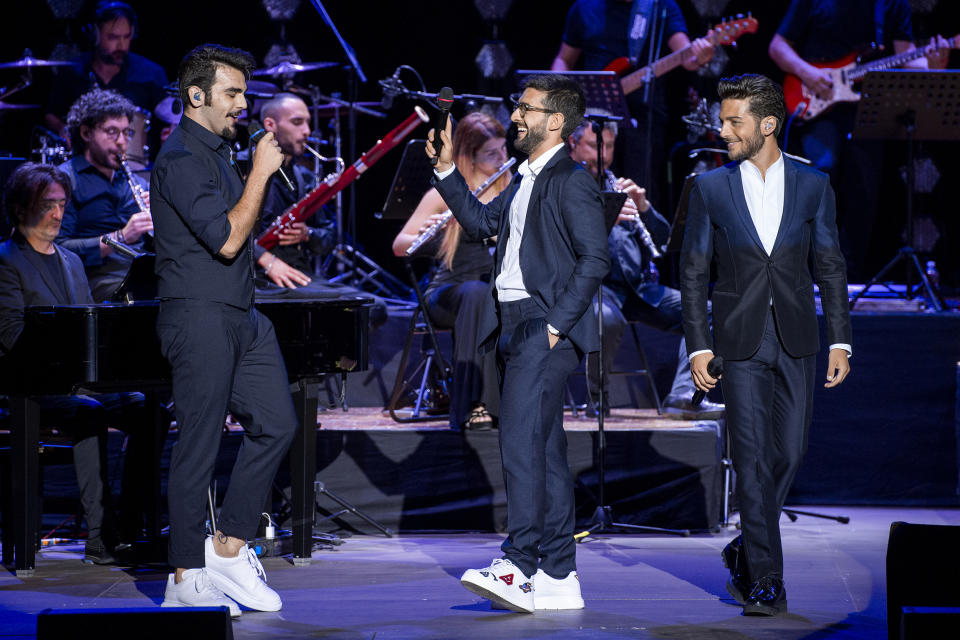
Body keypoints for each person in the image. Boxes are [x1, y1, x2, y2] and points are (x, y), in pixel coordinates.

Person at [427, 74, 609, 613]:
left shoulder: (571, 180)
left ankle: (518, 564)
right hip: (511, 322)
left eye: (526, 109)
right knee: (544, 449)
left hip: (543, 326)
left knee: (520, 447)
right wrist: (444, 172)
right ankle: (558, 573)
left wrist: (555, 326)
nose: (515, 117)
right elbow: (483, 224)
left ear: (556, 121)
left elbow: (595, 259)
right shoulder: (524, 177)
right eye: (517, 108)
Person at [680, 74, 852, 616]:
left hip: (799, 338)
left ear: (768, 124)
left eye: (734, 121)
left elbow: (829, 265)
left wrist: (841, 339)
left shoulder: (813, 186)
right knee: (751, 458)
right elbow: (691, 274)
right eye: (722, 119)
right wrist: (699, 346)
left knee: (790, 453)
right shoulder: (710, 188)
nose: (722, 129)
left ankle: (746, 546)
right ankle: (767, 580)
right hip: (739, 341)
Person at [152, 44, 298, 616]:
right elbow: (227, 238)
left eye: (243, 91)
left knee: (277, 424)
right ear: (196, 96)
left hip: (242, 314)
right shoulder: (181, 157)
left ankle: (230, 547)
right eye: (232, 93)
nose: (243, 103)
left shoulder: (220, 150)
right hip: (198, 315)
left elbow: (241, 238)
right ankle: (185, 575)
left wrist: (255, 173)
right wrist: (261, 173)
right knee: (199, 445)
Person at [0, 162, 152, 564]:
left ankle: (132, 525)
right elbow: (11, 336)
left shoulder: (70, 260)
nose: (57, 214)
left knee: (145, 407)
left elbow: (89, 326)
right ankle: (100, 537)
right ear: (19, 210)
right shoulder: (6, 261)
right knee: (88, 411)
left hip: (78, 380)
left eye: (62, 204)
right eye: (46, 205)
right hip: (31, 384)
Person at [768, 0, 941, 280]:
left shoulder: (892, 4)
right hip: (818, 101)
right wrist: (807, 73)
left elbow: (906, 57)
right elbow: (777, 47)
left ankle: (849, 280)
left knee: (864, 190)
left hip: (869, 104)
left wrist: (933, 62)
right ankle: (810, 276)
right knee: (822, 176)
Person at [567, 117, 723, 417]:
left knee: (707, 310)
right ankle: (596, 401)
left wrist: (644, 209)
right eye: (595, 146)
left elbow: (666, 241)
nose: (605, 155)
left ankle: (683, 396)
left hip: (637, 290)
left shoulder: (615, 183)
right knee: (606, 320)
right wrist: (605, 217)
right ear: (572, 144)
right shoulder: (562, 184)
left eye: (610, 147)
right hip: (595, 290)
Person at [392, 112, 511, 430]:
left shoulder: (512, 190)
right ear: (467, 156)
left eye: (503, 150)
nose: (502, 158)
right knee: (477, 295)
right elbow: (399, 245)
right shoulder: (446, 192)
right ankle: (473, 404)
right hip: (450, 294)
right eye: (491, 153)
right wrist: (427, 235)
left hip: (497, 290)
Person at [552, 0, 714, 204]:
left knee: (638, 187)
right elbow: (565, 59)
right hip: (592, 118)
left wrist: (700, 55)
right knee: (587, 184)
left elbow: (687, 57)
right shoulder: (584, 7)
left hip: (643, 117)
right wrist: (556, 91)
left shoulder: (660, 5)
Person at [56, 88, 152, 302]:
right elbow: (58, 249)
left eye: (126, 132)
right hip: (96, 280)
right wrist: (122, 237)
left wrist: (160, 219)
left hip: (141, 273)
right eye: (111, 132)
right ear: (86, 133)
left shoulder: (136, 182)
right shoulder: (64, 180)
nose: (121, 142)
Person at [45, 1, 168, 146]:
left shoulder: (151, 74)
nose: (121, 45)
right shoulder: (72, 72)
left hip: (136, 164)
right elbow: (51, 114)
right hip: (84, 160)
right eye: (113, 38)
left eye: (126, 37)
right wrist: (62, 129)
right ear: (95, 36)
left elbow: (170, 118)